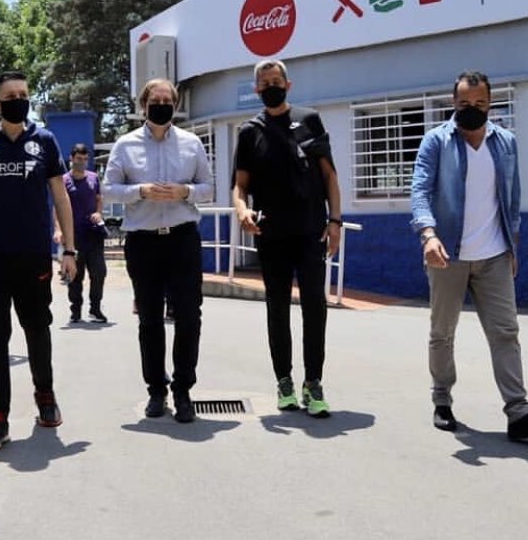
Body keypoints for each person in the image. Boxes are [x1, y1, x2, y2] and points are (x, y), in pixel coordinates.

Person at [410, 70, 528, 441]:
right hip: (448, 254)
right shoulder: (436, 142)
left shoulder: (505, 142)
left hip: (495, 254)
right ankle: (442, 399)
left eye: (480, 104)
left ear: (490, 104)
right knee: (442, 333)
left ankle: (519, 414)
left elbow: (511, 199)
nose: (472, 110)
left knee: (506, 333)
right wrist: (428, 235)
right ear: (453, 103)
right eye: (464, 104)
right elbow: (419, 191)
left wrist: (513, 247)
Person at [0, 71, 77, 454]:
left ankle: (45, 395)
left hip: (32, 255)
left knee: (37, 328)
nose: (18, 100)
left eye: (23, 94)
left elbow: (60, 196)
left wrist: (68, 250)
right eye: (10, 95)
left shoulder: (44, 141)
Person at [233, 59, 343, 418]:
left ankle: (314, 384)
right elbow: (240, 185)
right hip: (271, 235)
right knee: (277, 309)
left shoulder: (309, 120)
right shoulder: (250, 132)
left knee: (315, 307)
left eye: (277, 80)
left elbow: (329, 176)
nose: (271, 86)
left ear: (288, 84)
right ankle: (284, 382)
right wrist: (241, 210)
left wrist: (335, 221)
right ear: (257, 90)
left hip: (311, 231)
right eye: (265, 82)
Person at [102, 78, 213, 423]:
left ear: (175, 105)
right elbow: (108, 190)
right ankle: (156, 390)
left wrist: (185, 192)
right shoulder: (125, 145)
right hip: (144, 241)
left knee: (189, 316)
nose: (162, 104)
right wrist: (141, 191)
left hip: (182, 238)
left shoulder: (192, 143)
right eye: (155, 99)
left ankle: (183, 389)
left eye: (168, 99)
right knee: (150, 319)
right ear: (143, 105)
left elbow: (208, 188)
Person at [54, 143, 108, 323]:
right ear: (71, 158)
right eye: (79, 159)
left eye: (85, 159)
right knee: (75, 275)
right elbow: (57, 208)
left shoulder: (94, 178)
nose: (82, 162)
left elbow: (99, 200)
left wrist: (99, 213)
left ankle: (95, 308)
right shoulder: (63, 180)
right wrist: (58, 229)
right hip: (73, 235)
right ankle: (75, 310)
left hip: (93, 233)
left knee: (99, 272)